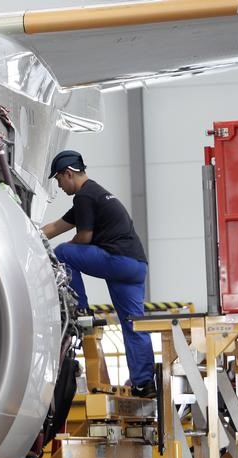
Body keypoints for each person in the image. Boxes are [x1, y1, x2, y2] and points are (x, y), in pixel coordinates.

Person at [41, 149, 156, 398]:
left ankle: (79, 309)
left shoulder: (84, 197)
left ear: (68, 174)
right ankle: (144, 384)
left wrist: (70, 244)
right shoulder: (96, 195)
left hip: (118, 260)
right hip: (136, 266)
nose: (59, 186)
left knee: (63, 252)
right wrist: (25, 235)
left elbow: (84, 238)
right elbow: (53, 228)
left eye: (58, 179)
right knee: (133, 325)